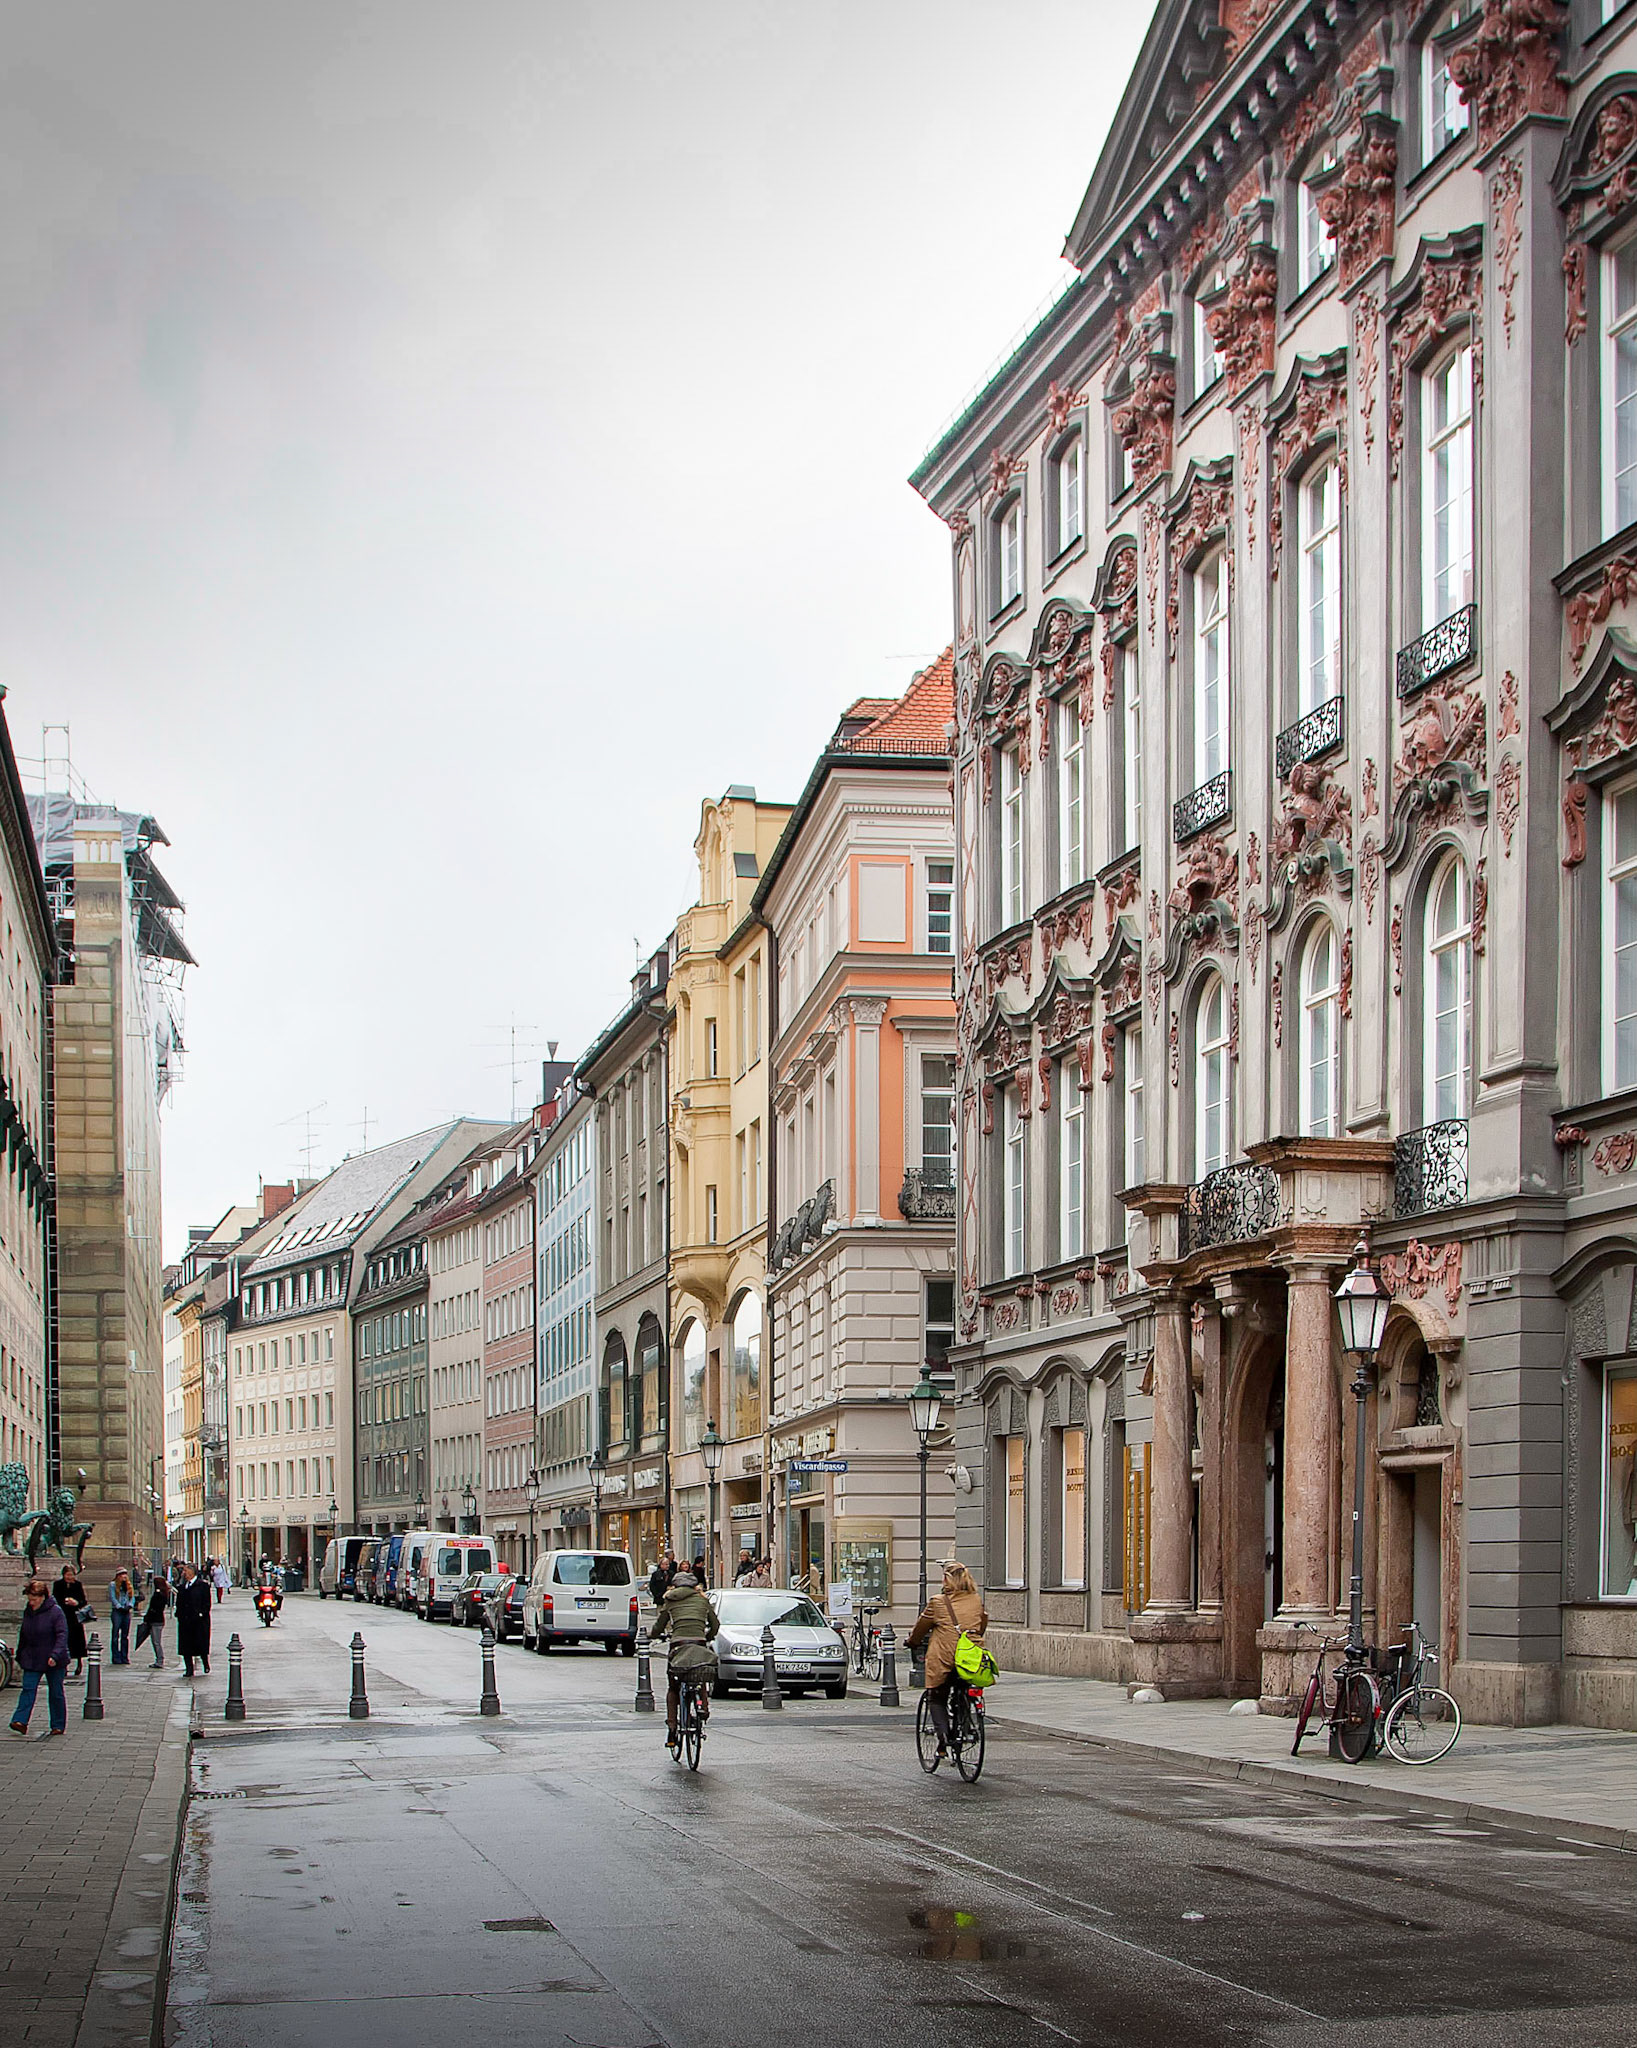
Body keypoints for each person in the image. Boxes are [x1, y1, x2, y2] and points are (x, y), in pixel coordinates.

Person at [906, 1561, 989, 1763]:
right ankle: (966, 1723)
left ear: (946, 1580)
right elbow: (982, 1623)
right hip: (970, 1658)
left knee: (936, 1696)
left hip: (945, 1658)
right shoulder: (976, 1600)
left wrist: (912, 1642)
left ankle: (943, 1741)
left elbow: (921, 1627)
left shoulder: (938, 1602)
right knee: (964, 1687)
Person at [648, 1568, 719, 1752]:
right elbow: (715, 1624)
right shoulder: (702, 1600)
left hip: (678, 1645)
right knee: (700, 1674)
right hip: (698, 1642)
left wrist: (653, 1635)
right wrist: (708, 1636)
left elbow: (660, 1624)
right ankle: (702, 1708)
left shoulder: (671, 1600)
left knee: (673, 1687)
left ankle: (672, 1726)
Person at [9, 1580, 68, 1739]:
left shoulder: (55, 1612)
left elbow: (62, 1635)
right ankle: (20, 1721)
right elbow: (24, 1633)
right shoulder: (29, 1611)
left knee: (55, 1692)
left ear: (42, 1597)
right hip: (32, 1656)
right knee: (28, 1688)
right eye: (30, 1599)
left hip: (53, 1658)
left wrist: (55, 1655)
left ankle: (58, 1724)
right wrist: (20, 1655)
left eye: (34, 1599)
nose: (32, 1603)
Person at [51, 1561, 91, 1679]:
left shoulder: (78, 1585)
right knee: (63, 1639)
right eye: (67, 1575)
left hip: (74, 1617)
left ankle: (79, 1662)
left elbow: (83, 1601)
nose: (69, 1577)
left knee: (77, 1640)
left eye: (71, 1575)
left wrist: (76, 1602)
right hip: (62, 1615)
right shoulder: (58, 1584)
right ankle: (64, 1664)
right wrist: (64, 1601)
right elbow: (55, 1599)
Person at [175, 1560, 212, 1677]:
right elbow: (179, 1603)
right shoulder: (182, 1587)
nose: (184, 1573)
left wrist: (202, 1614)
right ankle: (189, 1668)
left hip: (199, 1621)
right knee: (186, 1646)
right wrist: (179, 1615)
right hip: (185, 1621)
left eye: (186, 1571)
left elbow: (206, 1603)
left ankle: (205, 1662)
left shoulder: (202, 1586)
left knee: (200, 1643)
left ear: (192, 1572)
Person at [136, 1571, 170, 1668]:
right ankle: (159, 1659)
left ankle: (160, 1660)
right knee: (155, 1641)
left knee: (156, 1642)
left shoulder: (159, 1594)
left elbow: (154, 1608)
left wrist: (148, 1617)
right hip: (156, 1620)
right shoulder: (162, 1593)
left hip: (156, 1620)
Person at [108, 1569, 136, 1665]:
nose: (124, 1577)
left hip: (126, 1611)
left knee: (125, 1635)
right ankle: (116, 1657)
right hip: (117, 1611)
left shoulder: (128, 1585)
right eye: (122, 1575)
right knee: (115, 1635)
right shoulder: (113, 1585)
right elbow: (112, 1597)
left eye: (125, 1575)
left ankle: (124, 1657)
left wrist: (130, 1605)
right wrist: (119, 1606)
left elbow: (132, 1597)